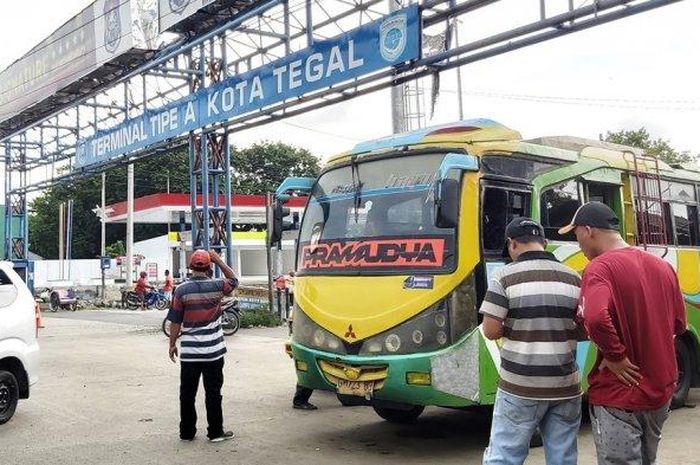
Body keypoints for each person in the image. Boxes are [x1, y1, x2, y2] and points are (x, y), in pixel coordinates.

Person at [558, 201, 687, 465]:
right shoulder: (663, 267)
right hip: (659, 393)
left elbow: (595, 317)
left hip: (620, 394)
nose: (578, 243)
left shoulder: (600, 268)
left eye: (576, 234)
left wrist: (615, 355)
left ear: (588, 230)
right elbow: (678, 325)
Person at [480, 217, 583, 465]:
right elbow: (584, 329)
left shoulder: (504, 278)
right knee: (563, 457)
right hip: (564, 386)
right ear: (544, 243)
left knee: (505, 456)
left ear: (512, 244)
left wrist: (520, 327)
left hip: (520, 386)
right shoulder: (574, 278)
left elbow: (490, 330)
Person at [167, 250, 238, 442]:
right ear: (209, 267)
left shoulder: (181, 290)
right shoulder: (217, 286)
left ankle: (187, 432)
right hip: (213, 352)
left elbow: (175, 320)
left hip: (190, 353)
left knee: (187, 393)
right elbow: (234, 280)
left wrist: (172, 344)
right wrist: (219, 260)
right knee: (213, 392)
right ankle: (215, 432)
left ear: (190, 267)